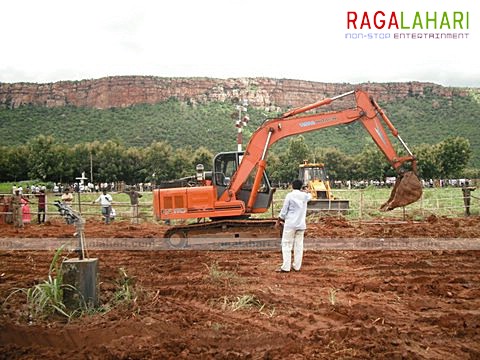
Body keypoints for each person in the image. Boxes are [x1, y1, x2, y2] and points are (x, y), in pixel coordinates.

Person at [275, 179, 312, 273]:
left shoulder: (289, 195)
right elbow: (310, 196)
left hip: (290, 224)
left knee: (287, 245)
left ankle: (286, 267)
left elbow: (284, 210)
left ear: (292, 186)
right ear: (301, 187)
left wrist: (279, 220)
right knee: (299, 246)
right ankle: (297, 266)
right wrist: (306, 191)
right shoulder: (305, 196)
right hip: (301, 225)